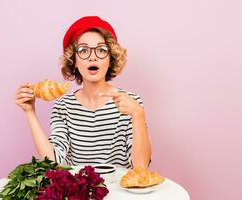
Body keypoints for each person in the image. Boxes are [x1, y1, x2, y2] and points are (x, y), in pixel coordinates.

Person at [14, 16, 151, 168]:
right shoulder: (63, 107)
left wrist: (138, 115)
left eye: (101, 50)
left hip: (123, 190)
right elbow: (53, 162)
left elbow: (141, 167)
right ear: (74, 60)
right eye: (83, 50)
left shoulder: (132, 103)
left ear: (111, 58)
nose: (93, 57)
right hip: (80, 191)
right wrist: (30, 113)